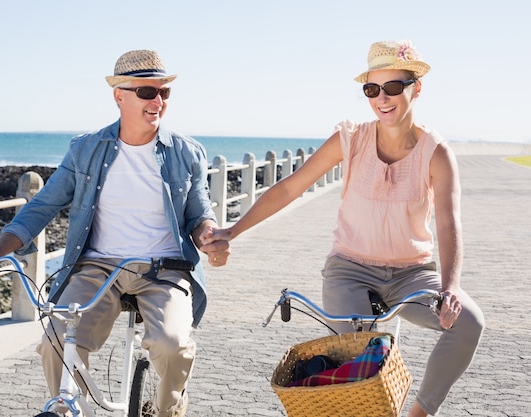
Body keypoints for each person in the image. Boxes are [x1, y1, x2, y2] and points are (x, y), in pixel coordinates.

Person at [203, 40, 484, 416]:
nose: (382, 98)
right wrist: (232, 231)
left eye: (393, 87)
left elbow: (449, 224)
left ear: (417, 88)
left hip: (412, 275)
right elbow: (290, 187)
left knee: (469, 322)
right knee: (360, 367)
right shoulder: (351, 139)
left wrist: (449, 288)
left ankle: (419, 413)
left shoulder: (437, 153)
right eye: (372, 90)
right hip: (349, 271)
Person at [0, 49, 230, 417]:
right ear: (119, 95)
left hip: (165, 270)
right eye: (146, 93)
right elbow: (41, 207)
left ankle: (170, 408)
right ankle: (73, 409)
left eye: (163, 93)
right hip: (97, 268)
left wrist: (209, 237)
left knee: (172, 346)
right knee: (55, 341)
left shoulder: (187, 152)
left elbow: (200, 213)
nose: (157, 101)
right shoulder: (86, 150)